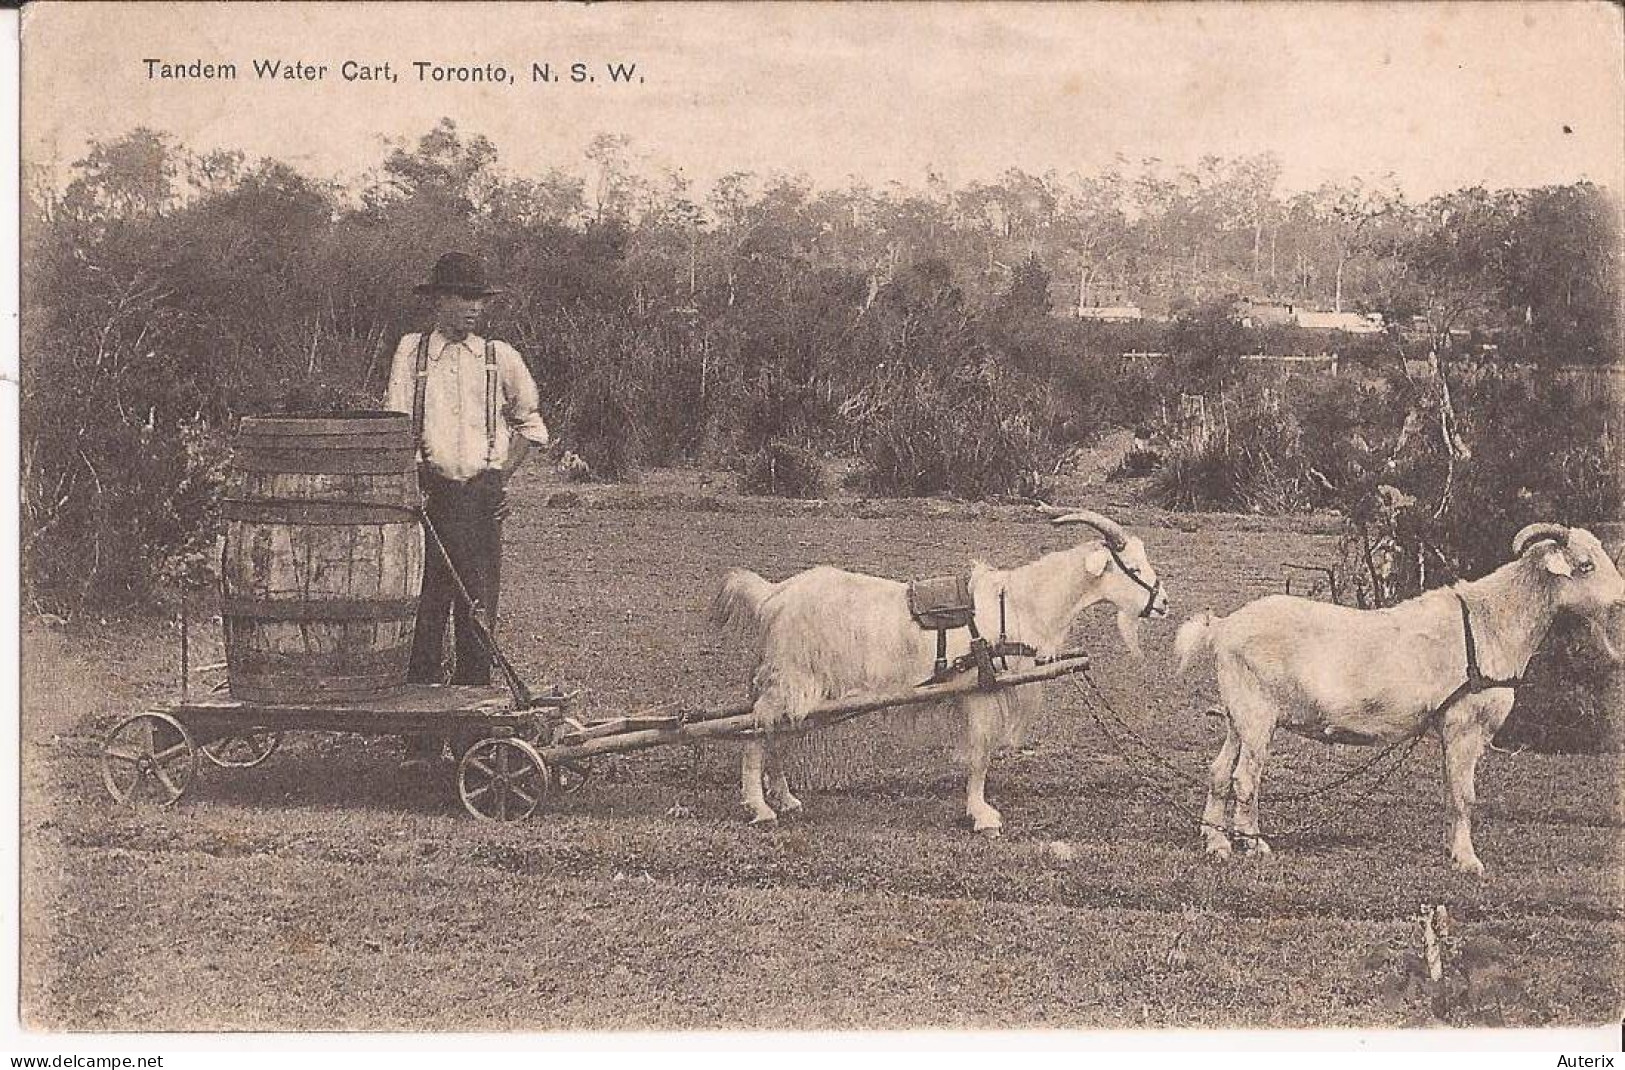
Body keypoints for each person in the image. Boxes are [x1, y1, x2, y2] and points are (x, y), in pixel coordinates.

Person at [385, 251, 551, 767]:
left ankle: (472, 736)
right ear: (438, 302)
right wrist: (409, 487)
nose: (473, 309)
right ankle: (420, 740)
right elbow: (395, 429)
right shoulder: (412, 355)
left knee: (477, 616)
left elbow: (531, 427)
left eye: (479, 299)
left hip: (480, 502)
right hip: (428, 498)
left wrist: (501, 477)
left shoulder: (499, 358)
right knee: (424, 613)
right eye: (462, 298)